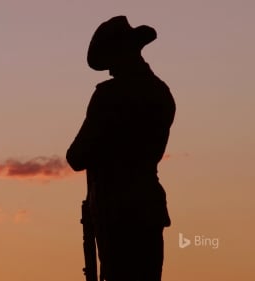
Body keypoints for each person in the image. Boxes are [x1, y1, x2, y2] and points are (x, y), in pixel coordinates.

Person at [66, 15, 176, 281]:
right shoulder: (160, 92)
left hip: (116, 214)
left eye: (111, 61)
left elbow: (76, 156)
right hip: (147, 208)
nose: (110, 70)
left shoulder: (109, 95)